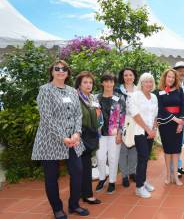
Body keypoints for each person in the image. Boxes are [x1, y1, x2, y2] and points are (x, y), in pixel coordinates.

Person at [32, 60, 89, 219]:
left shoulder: (72, 91)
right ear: (52, 71)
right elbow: (46, 118)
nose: (60, 71)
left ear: (67, 73)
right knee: (51, 176)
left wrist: (77, 133)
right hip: (50, 139)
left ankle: (74, 205)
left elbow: (78, 114)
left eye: (64, 69)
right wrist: (62, 137)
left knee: (78, 171)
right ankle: (57, 208)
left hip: (73, 139)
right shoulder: (45, 90)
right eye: (57, 68)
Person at [157, 69, 184, 186]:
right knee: (167, 151)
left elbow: (183, 106)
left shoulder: (180, 90)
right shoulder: (159, 91)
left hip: (178, 124)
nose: (170, 79)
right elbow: (160, 109)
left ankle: (175, 175)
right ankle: (168, 175)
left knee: (176, 150)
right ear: (164, 78)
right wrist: (175, 119)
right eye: (168, 77)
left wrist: (181, 123)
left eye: (172, 77)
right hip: (166, 124)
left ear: (175, 79)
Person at [128, 73, 158, 198]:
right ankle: (139, 187)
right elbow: (135, 115)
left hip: (151, 131)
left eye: (151, 81)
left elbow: (156, 115)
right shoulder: (135, 96)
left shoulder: (154, 97)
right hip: (139, 131)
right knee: (143, 157)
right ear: (141, 83)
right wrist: (148, 129)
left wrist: (154, 129)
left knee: (145, 158)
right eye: (146, 81)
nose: (149, 84)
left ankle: (143, 180)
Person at [95, 74, 126, 194]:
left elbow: (123, 117)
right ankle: (102, 178)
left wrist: (120, 133)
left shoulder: (119, 97)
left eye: (111, 81)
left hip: (114, 134)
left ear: (114, 83)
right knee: (100, 157)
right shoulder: (96, 98)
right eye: (106, 81)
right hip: (99, 134)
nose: (108, 84)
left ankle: (112, 181)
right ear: (102, 83)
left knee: (113, 158)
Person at [75, 71, 102, 205]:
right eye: (85, 82)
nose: (88, 85)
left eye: (90, 82)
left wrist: (98, 116)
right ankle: (83, 194)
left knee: (85, 166)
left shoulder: (92, 98)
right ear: (79, 84)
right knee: (78, 167)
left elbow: (98, 116)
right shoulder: (75, 97)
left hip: (89, 136)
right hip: (77, 135)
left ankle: (85, 193)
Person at [116, 68, 137, 188]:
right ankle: (124, 175)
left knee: (134, 148)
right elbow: (116, 109)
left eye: (130, 75)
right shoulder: (118, 90)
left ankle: (132, 172)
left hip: (136, 122)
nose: (128, 77)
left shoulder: (139, 89)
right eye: (126, 75)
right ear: (122, 77)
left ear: (134, 77)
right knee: (123, 150)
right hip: (123, 122)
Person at [173, 61, 184, 176]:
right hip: (174, 120)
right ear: (175, 71)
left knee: (179, 145)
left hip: (182, 120)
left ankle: (178, 167)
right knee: (173, 146)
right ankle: (173, 170)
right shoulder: (172, 85)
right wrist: (177, 120)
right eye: (180, 70)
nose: (182, 73)